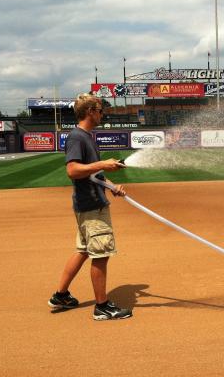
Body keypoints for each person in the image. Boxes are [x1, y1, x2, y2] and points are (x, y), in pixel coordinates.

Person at [48, 94, 132, 320]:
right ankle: (102, 307)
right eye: (100, 110)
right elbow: (73, 170)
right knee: (101, 254)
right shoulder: (78, 137)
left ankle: (61, 295)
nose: (102, 114)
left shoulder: (86, 136)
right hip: (91, 206)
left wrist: (112, 185)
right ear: (90, 112)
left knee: (84, 250)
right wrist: (103, 163)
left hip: (90, 202)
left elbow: (92, 173)